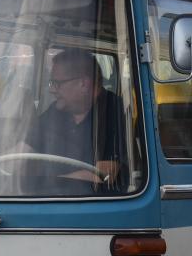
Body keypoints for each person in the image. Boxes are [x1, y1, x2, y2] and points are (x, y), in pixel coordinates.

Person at [23, 48, 126, 190]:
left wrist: (47, 187)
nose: (52, 90)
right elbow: (25, 147)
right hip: (49, 200)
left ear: (83, 83)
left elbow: (104, 173)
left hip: (92, 204)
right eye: (51, 83)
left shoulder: (115, 112)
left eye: (57, 83)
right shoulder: (57, 110)